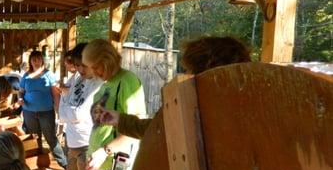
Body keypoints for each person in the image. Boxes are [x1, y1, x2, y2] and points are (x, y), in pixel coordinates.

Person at [99, 36, 252, 139]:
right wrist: (120, 119)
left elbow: (161, 131)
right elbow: (160, 129)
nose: (186, 76)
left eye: (189, 71)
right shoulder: (243, 110)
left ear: (206, 75)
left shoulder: (212, 114)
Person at [83, 39, 146, 170]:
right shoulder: (106, 84)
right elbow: (98, 130)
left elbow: (135, 129)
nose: (93, 73)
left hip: (115, 164)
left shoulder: (127, 81)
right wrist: (90, 163)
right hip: (98, 162)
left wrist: (106, 151)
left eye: (96, 67)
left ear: (107, 61)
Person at [58, 43, 103, 170]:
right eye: (77, 65)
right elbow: (63, 106)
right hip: (72, 143)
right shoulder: (76, 79)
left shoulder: (98, 84)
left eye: (83, 65)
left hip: (87, 144)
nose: (80, 69)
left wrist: (66, 111)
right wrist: (67, 111)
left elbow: (79, 114)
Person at [18, 50, 67, 169]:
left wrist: (59, 110)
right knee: (34, 137)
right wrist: (20, 99)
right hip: (29, 112)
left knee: (50, 137)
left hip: (46, 112)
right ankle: (37, 163)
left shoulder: (49, 75)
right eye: (33, 59)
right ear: (30, 61)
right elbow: (21, 92)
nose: (36, 61)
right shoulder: (26, 76)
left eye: (38, 59)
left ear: (42, 60)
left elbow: (56, 94)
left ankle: (64, 163)